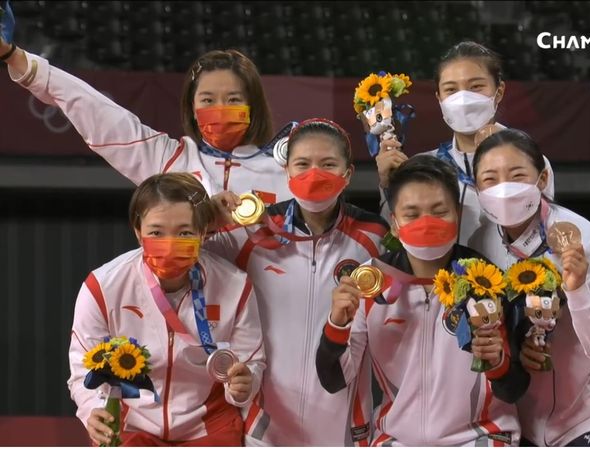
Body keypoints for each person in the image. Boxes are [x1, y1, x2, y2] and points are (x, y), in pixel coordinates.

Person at [316, 155, 527, 446]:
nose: (426, 224)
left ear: (458, 216)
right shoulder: (372, 282)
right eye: (412, 214)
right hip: (397, 441)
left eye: (439, 212)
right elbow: (334, 380)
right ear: (394, 222)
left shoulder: (486, 280)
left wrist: (498, 362)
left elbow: (513, 389)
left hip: (481, 439)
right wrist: (337, 324)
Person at [205, 118, 389, 446]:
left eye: (328, 164)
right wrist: (206, 217)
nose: (314, 173)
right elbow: (190, 256)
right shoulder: (255, 229)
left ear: (347, 175)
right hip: (265, 426)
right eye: (302, 164)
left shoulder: (373, 235)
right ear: (287, 172)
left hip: (343, 426)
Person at [468, 128, 590, 446]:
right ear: (476, 188)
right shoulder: (480, 243)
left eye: (517, 174)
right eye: (490, 179)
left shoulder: (580, 241)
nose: (504, 188)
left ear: (541, 179)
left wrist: (577, 291)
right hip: (532, 418)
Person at [67, 173, 265, 446]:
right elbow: (82, 367)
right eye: (156, 232)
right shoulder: (103, 287)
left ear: (203, 232)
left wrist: (244, 386)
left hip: (211, 429)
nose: (170, 244)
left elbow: (252, 362)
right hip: (131, 427)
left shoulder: (234, 286)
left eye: (184, 233)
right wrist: (92, 409)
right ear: (138, 231)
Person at [0, 33, 291, 201]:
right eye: (207, 99)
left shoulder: (286, 172)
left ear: (254, 106)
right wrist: (14, 57)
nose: (220, 107)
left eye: (233, 99)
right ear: (191, 107)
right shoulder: (168, 161)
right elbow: (95, 110)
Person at [374, 40, 555, 243]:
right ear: (439, 98)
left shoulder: (527, 164)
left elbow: (539, 237)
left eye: (476, 86)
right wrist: (388, 185)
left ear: (500, 91)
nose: (463, 98)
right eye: (451, 90)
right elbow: (395, 241)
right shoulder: (423, 166)